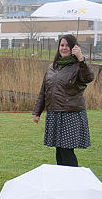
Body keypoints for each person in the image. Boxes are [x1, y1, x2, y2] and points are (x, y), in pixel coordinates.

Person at [33, 34, 94, 167]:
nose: (64, 48)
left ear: (73, 48)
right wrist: (37, 111)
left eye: (67, 45)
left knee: (67, 150)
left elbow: (88, 77)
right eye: (62, 45)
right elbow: (44, 90)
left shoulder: (78, 66)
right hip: (54, 113)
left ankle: (73, 179)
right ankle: (62, 179)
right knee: (59, 149)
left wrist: (81, 58)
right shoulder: (52, 67)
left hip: (70, 113)